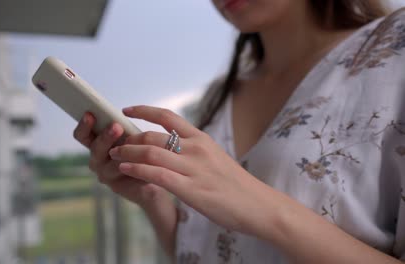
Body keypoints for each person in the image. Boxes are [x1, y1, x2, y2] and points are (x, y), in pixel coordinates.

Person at [73, 0, 405, 263]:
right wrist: (152, 197)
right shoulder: (219, 96)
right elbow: (205, 252)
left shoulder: (395, 46)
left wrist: (261, 206)